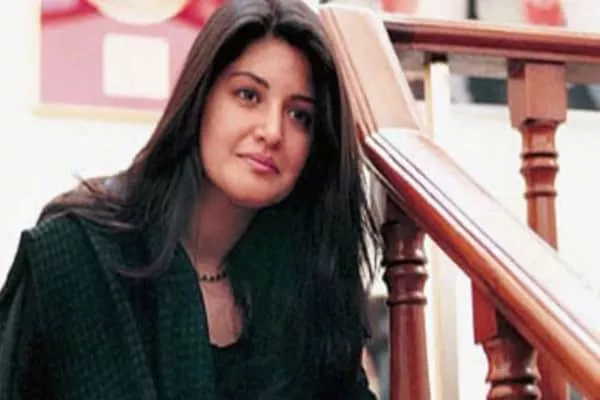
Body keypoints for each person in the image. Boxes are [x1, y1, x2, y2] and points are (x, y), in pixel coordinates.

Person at [0, 0, 378, 398]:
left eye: (300, 115)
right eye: (248, 95)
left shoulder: (308, 294)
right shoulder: (75, 254)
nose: (272, 131)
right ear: (201, 101)